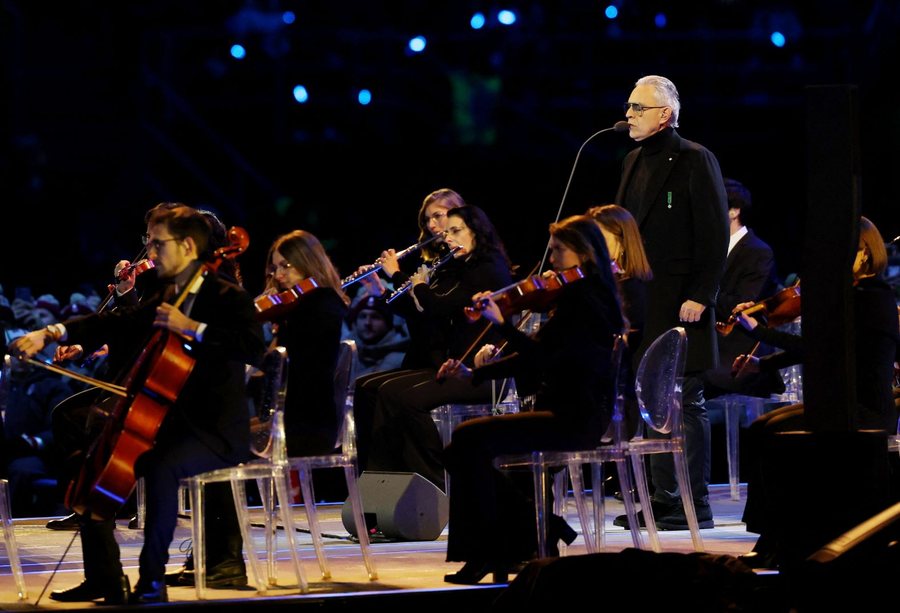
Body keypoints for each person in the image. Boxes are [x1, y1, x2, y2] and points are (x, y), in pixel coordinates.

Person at [10, 203, 265, 604]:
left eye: (158, 244)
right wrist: (52, 331)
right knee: (100, 468)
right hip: (174, 421)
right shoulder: (169, 291)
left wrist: (193, 329)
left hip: (214, 429)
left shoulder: (224, 294)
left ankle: (151, 580)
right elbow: (119, 323)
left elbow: (255, 348)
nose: (150, 252)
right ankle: (106, 579)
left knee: (159, 466)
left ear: (185, 245)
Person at [436, 214, 625, 584]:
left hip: (574, 418)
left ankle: (490, 551)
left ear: (583, 253)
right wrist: (473, 374)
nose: (551, 259)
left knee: (468, 440)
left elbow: (543, 359)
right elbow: (537, 351)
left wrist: (503, 324)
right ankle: (530, 529)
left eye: (558, 250)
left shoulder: (586, 300)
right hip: (566, 413)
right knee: (463, 444)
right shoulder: (578, 296)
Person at [732, 216, 900, 569]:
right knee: (763, 428)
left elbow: (817, 347)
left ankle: (777, 539)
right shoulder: (850, 295)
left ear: (865, 254)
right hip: (840, 404)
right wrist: (761, 366)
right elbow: (817, 345)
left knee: (770, 431)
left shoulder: (873, 298)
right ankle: (773, 537)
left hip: (864, 407)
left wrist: (760, 333)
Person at [613, 74, 729, 530]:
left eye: (637, 108)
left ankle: (690, 503)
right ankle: (661, 499)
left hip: (682, 300)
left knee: (685, 399)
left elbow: (714, 233)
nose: (628, 115)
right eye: (628, 107)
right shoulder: (631, 161)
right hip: (642, 301)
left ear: (664, 114)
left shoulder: (694, 159)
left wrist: (702, 294)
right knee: (651, 398)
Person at [358, 205, 514, 490]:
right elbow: (422, 310)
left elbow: (438, 305)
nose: (447, 237)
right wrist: (384, 291)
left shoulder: (488, 267)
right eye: (448, 232)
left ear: (477, 232)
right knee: (368, 389)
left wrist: (400, 277)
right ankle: (377, 487)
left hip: (483, 374)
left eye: (456, 231)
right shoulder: (456, 264)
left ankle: (434, 484)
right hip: (455, 364)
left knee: (401, 399)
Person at [702, 178, 784, 399]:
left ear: (734, 211)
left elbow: (743, 305)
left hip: (737, 352)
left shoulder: (758, 252)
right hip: (707, 346)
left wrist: (702, 289)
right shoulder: (707, 250)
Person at [342, 289, 409, 380]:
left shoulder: (402, 360)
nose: (367, 323)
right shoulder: (344, 353)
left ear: (388, 323)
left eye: (375, 317)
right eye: (363, 316)